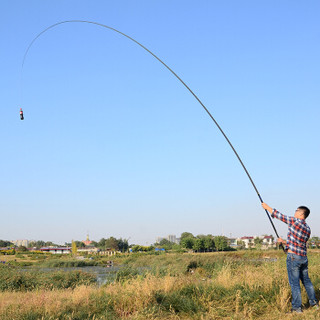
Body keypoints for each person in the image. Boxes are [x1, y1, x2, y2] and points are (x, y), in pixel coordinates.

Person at [262, 203, 318, 313]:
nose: (295, 212)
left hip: (293, 258)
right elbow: (298, 242)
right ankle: (314, 304)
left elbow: (279, 215)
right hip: (303, 257)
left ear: (301, 213)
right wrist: (284, 242)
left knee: (294, 283)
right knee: (307, 281)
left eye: (297, 210)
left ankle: (297, 309)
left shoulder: (295, 221)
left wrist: (266, 207)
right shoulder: (307, 228)